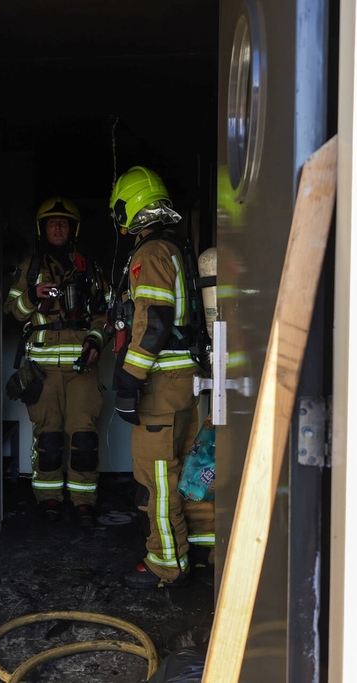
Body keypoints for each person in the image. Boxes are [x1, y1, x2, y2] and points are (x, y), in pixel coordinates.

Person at [107, 166, 215, 588]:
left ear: (128, 207)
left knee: (159, 478)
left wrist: (129, 381)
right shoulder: (176, 247)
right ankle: (205, 549)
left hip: (161, 388)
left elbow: (154, 323)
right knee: (191, 471)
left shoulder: (149, 253)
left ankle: (166, 563)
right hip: (186, 381)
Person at [4, 197, 111, 526]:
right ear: (42, 228)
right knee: (48, 439)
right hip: (43, 371)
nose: (58, 226)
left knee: (84, 440)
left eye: (64, 222)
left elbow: (106, 314)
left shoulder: (89, 268)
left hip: (82, 368)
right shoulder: (29, 268)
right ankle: (48, 499)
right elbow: (10, 313)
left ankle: (83, 502)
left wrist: (96, 340)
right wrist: (32, 297)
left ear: (73, 228)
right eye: (52, 222)